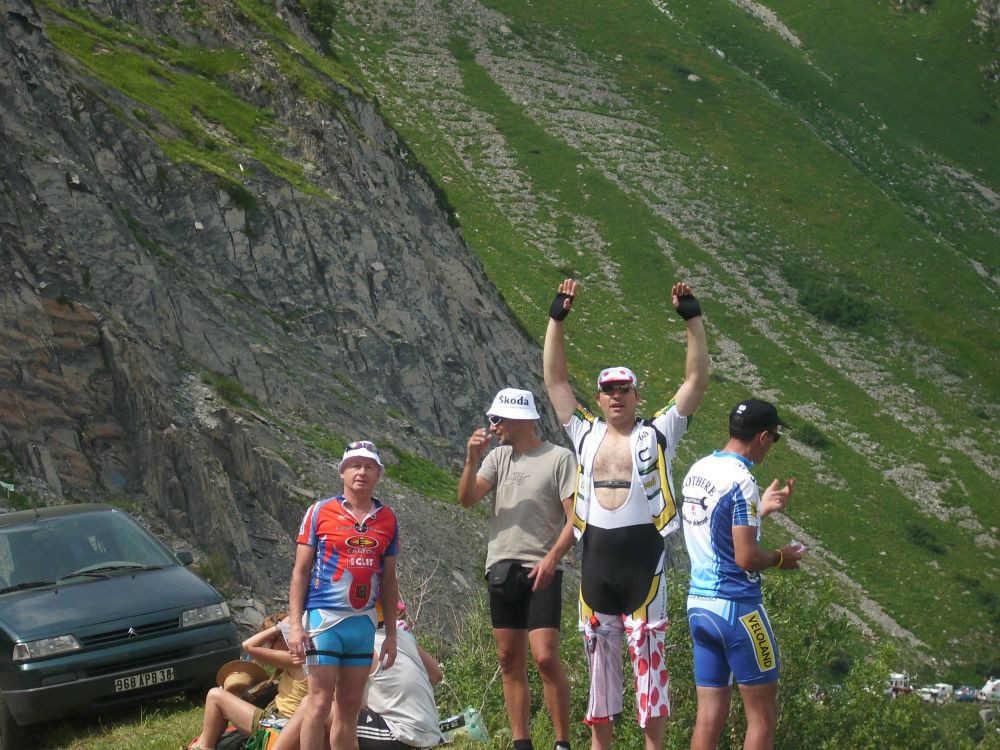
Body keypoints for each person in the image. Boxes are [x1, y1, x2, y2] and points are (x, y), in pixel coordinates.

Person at [542, 278, 709, 750]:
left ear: (637, 395)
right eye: (608, 390)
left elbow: (696, 381)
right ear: (597, 398)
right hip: (596, 559)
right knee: (598, 662)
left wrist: (692, 320)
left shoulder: (658, 433)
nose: (616, 397)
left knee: (650, 659)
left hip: (643, 562)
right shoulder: (583, 433)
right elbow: (555, 380)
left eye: (624, 390)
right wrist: (557, 319)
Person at [458, 387, 577, 750]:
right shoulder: (497, 459)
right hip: (501, 568)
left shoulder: (560, 458)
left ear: (521, 418)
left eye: (498, 419)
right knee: (509, 659)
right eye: (492, 419)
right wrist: (471, 460)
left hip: (543, 568)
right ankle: (521, 742)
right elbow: (466, 499)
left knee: (544, 656)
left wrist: (552, 558)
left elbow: (576, 521)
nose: (493, 427)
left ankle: (561, 742)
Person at [680, 399, 803, 750]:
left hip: (699, 607)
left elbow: (716, 533)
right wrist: (782, 557)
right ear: (763, 437)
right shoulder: (742, 480)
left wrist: (760, 510)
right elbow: (746, 557)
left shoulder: (699, 469)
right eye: (775, 438)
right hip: (738, 609)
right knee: (763, 715)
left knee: (709, 715)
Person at [287, 440, 400, 750]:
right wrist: (296, 626)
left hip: (362, 624)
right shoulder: (320, 511)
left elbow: (389, 581)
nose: (361, 472)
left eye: (369, 466)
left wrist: (391, 634)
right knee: (319, 703)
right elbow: (300, 572)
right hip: (325, 620)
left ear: (378, 473)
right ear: (342, 472)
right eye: (355, 465)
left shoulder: (388, 519)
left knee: (350, 708)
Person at [273, 601, 445, 750]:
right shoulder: (402, 635)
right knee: (329, 727)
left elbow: (333, 699)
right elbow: (436, 675)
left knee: (312, 707)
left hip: (404, 738)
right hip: (432, 734)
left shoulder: (358, 642)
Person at [191, 612, 308, 750]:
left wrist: (278, 627)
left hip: (276, 724)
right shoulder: (311, 657)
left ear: (283, 638)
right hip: (286, 721)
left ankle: (203, 746)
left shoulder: (293, 659)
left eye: (271, 643)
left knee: (215, 696)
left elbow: (248, 646)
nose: (270, 648)